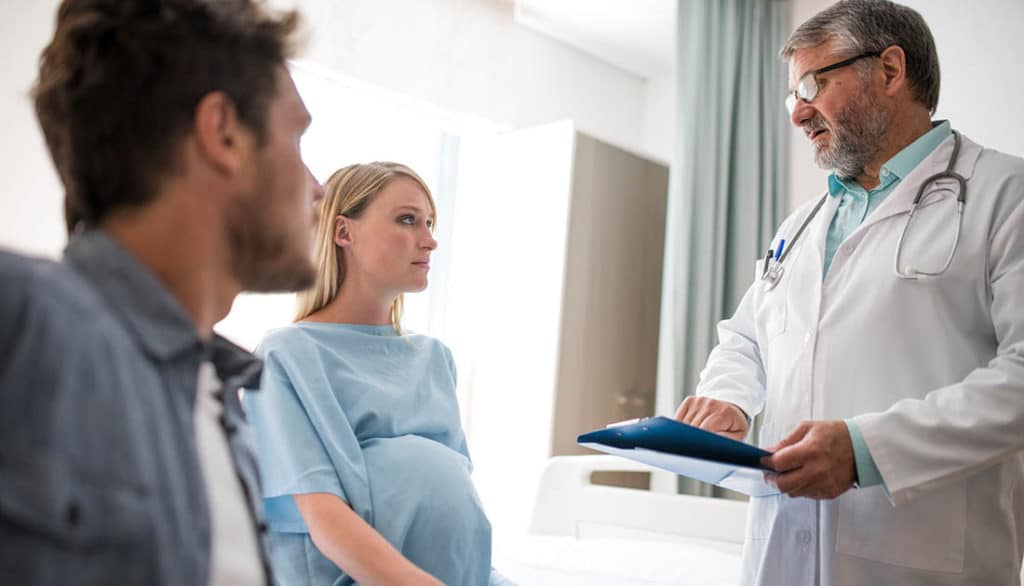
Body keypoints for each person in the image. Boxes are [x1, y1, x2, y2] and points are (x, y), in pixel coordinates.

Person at [674, 1, 1024, 584]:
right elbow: (750, 338)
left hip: (925, 557)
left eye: (813, 84)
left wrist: (868, 450)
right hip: (783, 549)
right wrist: (729, 398)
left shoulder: (1006, 196)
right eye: (792, 96)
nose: (797, 113)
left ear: (889, 71)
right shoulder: (801, 224)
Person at [0, 1, 322, 584]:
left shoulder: (225, 407)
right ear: (223, 132)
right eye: (297, 138)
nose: (317, 187)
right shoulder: (25, 320)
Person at [245, 162, 508, 586]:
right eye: (407, 220)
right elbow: (325, 519)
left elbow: (457, 513)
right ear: (343, 232)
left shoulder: (435, 359)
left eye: (430, 223)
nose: (430, 240)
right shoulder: (287, 355)